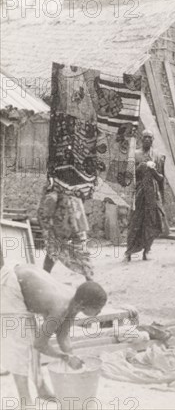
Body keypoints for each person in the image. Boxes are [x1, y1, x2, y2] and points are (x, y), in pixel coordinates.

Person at [0, 261, 107, 408]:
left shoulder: (74, 302)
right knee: (21, 345)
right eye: (98, 309)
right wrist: (64, 357)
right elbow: (40, 345)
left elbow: (63, 336)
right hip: (8, 283)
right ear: (83, 306)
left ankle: (41, 389)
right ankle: (25, 401)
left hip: (22, 281)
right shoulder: (61, 307)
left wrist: (72, 358)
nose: (99, 313)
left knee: (32, 338)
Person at [38, 179, 93, 281]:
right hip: (75, 219)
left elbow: (47, 207)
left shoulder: (54, 188)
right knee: (78, 250)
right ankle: (89, 278)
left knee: (54, 249)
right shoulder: (78, 184)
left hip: (63, 222)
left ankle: (44, 276)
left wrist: (46, 224)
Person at [125, 130, 166, 261]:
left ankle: (146, 251)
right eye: (145, 137)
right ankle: (129, 252)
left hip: (152, 194)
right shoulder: (135, 155)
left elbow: (161, 178)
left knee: (152, 222)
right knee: (134, 222)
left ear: (153, 139)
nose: (147, 139)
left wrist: (153, 171)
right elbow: (128, 176)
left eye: (150, 137)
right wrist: (140, 168)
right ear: (141, 139)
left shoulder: (158, 156)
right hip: (139, 193)